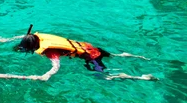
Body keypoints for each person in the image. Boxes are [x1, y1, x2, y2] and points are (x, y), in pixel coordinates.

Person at [12, 26, 156, 81]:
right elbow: (22, 38)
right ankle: (136, 57)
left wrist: (46, 75)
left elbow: (55, 66)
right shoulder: (37, 37)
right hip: (90, 47)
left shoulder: (50, 51)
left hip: (91, 57)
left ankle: (140, 77)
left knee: (105, 77)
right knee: (114, 55)